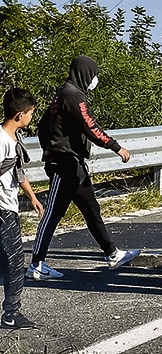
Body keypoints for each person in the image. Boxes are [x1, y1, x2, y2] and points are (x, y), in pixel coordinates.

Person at [27, 55, 140, 280]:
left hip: (72, 163)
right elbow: (91, 127)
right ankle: (36, 264)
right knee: (52, 214)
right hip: (65, 164)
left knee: (91, 209)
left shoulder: (62, 93)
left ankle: (112, 254)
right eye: (93, 74)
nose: (94, 79)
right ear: (85, 73)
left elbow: (42, 125)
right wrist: (116, 147)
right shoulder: (74, 96)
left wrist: (48, 146)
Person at [0, 89, 44, 330]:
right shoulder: (1, 141)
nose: (31, 117)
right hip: (2, 209)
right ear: (19, 115)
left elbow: (16, 172)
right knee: (15, 261)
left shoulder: (13, 139)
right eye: (30, 114)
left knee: (5, 261)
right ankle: (11, 314)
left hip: (10, 205)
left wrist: (33, 197)